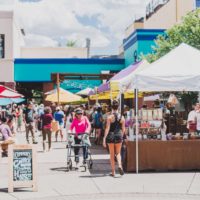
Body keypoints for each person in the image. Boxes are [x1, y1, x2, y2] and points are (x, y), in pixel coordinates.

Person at [103, 100, 125, 177]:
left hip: (111, 135)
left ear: (111, 107)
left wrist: (104, 138)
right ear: (118, 107)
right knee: (118, 153)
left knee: (112, 154)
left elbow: (107, 128)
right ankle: (119, 165)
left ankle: (113, 172)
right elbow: (123, 129)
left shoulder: (109, 117)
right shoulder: (122, 117)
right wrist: (123, 136)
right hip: (119, 135)